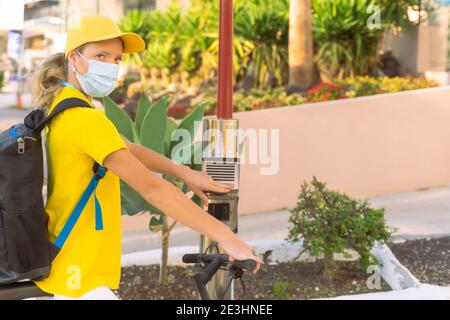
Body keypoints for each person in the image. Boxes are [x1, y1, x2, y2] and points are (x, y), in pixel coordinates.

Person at [32, 15, 262, 300]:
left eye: (116, 59)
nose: (110, 66)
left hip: (69, 264)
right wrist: (226, 238)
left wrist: (185, 173)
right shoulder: (83, 119)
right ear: (74, 59)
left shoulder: (63, 107)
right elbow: (152, 189)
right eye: (100, 55)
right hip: (80, 273)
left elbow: (127, 148)